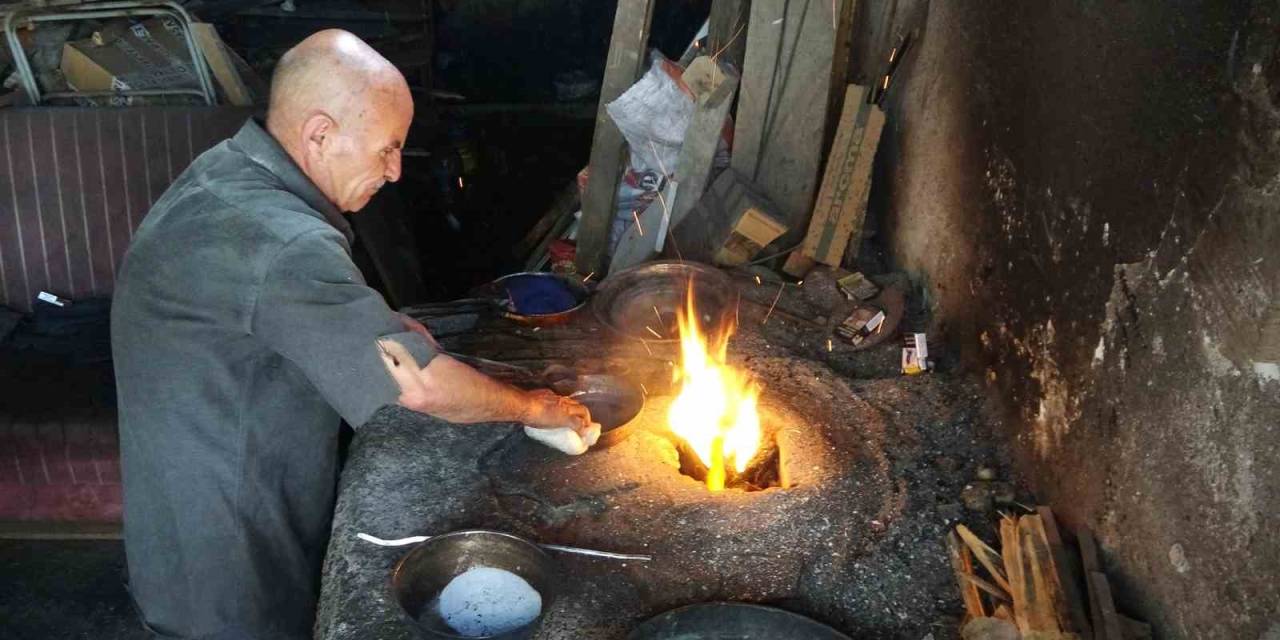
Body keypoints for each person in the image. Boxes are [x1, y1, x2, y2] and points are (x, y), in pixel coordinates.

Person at [111, 30, 596, 639]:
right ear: (320, 134)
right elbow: (420, 384)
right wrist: (535, 406)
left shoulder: (230, 172)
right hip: (228, 551)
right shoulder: (282, 241)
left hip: (185, 504)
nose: (394, 173)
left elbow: (275, 306)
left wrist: (376, 323)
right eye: (387, 149)